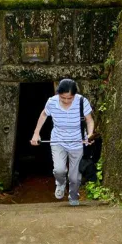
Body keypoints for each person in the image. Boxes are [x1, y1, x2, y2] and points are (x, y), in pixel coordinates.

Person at [30, 78, 95, 206]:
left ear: (74, 95)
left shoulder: (82, 101)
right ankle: (60, 183)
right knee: (59, 170)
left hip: (77, 141)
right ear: (58, 94)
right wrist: (36, 133)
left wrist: (90, 135)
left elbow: (89, 120)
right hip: (58, 140)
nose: (66, 101)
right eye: (63, 98)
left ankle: (73, 196)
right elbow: (43, 115)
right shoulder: (52, 102)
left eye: (69, 98)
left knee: (74, 177)